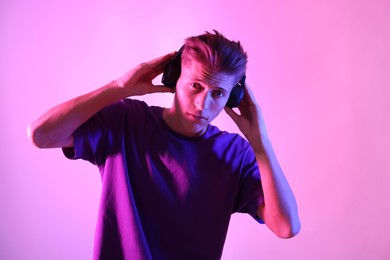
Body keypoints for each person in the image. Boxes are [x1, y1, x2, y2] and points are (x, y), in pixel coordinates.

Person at [27, 30, 300, 259]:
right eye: (196, 85)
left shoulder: (235, 153)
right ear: (173, 78)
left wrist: (260, 142)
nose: (203, 104)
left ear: (233, 97)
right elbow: (41, 134)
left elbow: (286, 227)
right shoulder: (126, 121)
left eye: (218, 93)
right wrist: (118, 87)